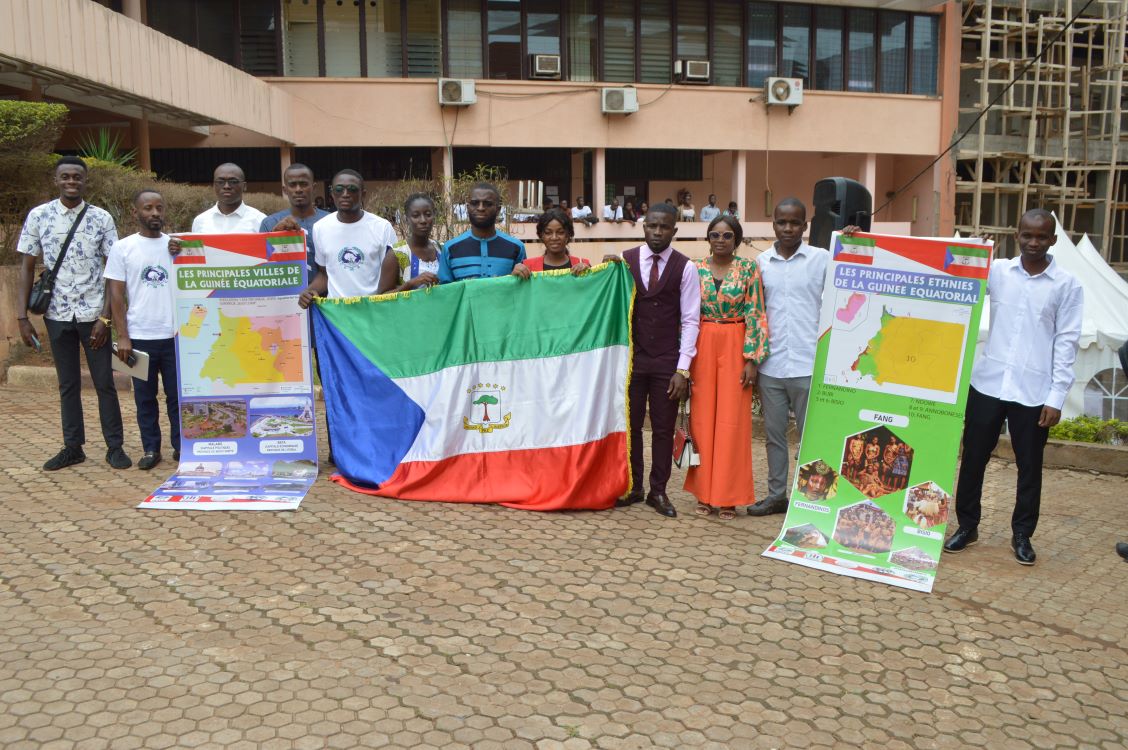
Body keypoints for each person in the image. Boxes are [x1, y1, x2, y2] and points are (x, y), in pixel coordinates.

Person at [944, 209, 1083, 566]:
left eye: (1041, 236)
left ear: (1053, 240)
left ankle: (1022, 535)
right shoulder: (997, 272)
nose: (1033, 242)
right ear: (1016, 235)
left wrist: (1056, 397)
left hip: (1033, 392)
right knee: (973, 459)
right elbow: (950, 270)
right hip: (987, 384)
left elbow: (1067, 342)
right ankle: (967, 526)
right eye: (1027, 235)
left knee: (1029, 467)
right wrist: (864, 239)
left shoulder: (1067, 285)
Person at [16, 155, 131, 471]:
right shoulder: (39, 216)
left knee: (104, 382)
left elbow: (113, 272)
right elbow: (26, 267)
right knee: (67, 384)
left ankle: (115, 447)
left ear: (85, 180)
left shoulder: (101, 218)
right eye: (65, 176)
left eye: (77, 177)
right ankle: (73, 447)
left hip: (94, 315)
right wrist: (22, 317)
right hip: (56, 313)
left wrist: (105, 318)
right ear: (56, 180)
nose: (71, 181)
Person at [612, 203, 701, 518]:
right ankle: (634, 486)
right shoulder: (624, 261)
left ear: (674, 230)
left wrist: (682, 369)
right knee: (631, 426)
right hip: (632, 361)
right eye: (652, 226)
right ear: (644, 227)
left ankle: (658, 491)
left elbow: (690, 320)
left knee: (663, 429)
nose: (658, 232)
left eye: (664, 227)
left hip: (667, 361)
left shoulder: (685, 267)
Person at [746, 198, 830, 516]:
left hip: (810, 364)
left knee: (813, 437)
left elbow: (855, 272)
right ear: (773, 225)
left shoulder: (821, 259)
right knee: (774, 437)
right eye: (782, 222)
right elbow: (754, 313)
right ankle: (776, 496)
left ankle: (813, 500)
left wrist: (855, 239)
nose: (788, 228)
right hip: (772, 365)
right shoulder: (761, 264)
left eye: (795, 222)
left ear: (804, 226)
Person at [684, 214, 769, 520]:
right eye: (715, 235)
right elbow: (686, 314)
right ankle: (705, 494)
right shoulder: (694, 268)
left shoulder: (748, 268)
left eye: (727, 235)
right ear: (708, 238)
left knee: (733, 423)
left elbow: (756, 312)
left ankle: (729, 497)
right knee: (702, 421)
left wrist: (751, 360)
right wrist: (684, 362)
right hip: (703, 342)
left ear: (736, 240)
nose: (720, 240)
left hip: (736, 341)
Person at [104, 189, 179, 471]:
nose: (155, 213)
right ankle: (150, 449)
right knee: (144, 398)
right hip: (138, 338)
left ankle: (181, 446)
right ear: (135, 212)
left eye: (159, 207)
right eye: (148, 208)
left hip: (174, 337)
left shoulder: (176, 246)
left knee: (177, 397)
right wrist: (122, 336)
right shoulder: (122, 248)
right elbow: (116, 295)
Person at [299, 170, 400, 305]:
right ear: (332, 194)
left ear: (363, 194)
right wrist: (310, 291)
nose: (345, 194)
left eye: (352, 189)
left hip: (372, 309)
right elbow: (324, 274)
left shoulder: (382, 228)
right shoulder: (320, 228)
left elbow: (391, 279)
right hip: (336, 312)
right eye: (339, 189)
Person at [439, 183, 530, 283]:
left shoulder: (516, 248)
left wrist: (515, 277)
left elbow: (523, 287)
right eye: (475, 203)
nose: (481, 208)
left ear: (498, 209)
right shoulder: (450, 249)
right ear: (468, 208)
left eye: (488, 204)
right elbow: (444, 290)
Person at [259, 163, 330, 281]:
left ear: (314, 187)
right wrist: (275, 236)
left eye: (304, 184)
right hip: (285, 290)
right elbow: (262, 266)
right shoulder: (269, 223)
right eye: (292, 185)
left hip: (325, 291)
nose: (298, 190)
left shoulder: (330, 221)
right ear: (285, 190)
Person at [392, 193, 441, 291]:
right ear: (406, 219)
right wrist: (410, 283)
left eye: (428, 215)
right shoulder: (396, 253)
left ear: (434, 216)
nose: (423, 220)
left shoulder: (440, 249)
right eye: (416, 216)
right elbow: (382, 296)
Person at [524, 209, 591, 274]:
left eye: (560, 232)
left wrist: (589, 273)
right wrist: (518, 274)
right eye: (548, 232)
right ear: (541, 235)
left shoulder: (583, 267)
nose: (554, 237)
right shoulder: (528, 268)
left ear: (568, 234)